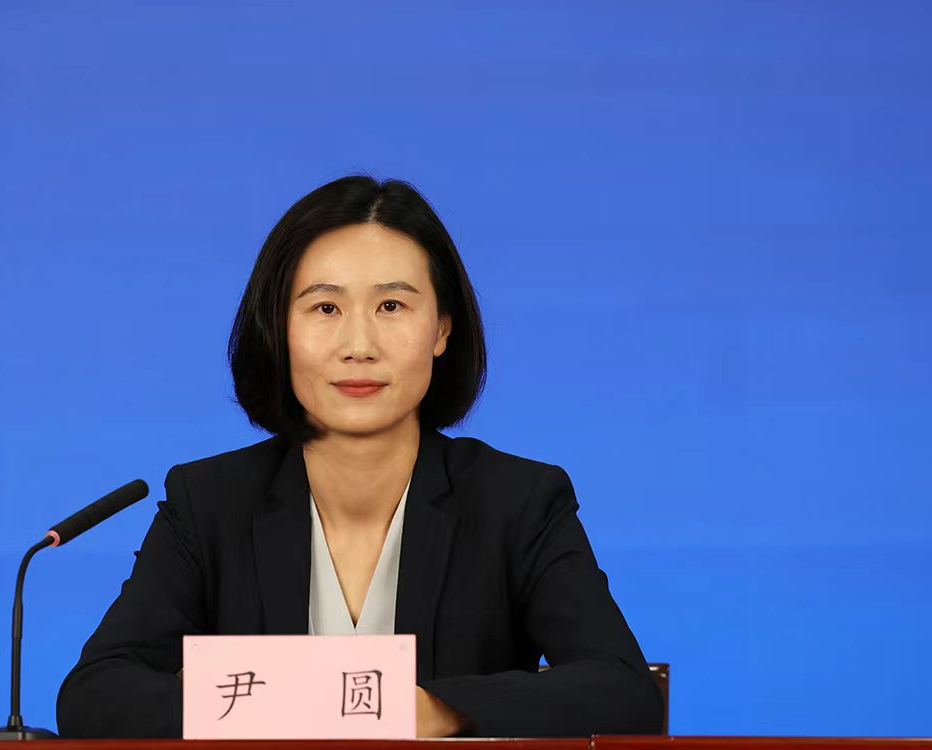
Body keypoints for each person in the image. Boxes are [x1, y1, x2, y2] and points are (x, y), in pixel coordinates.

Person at [56, 175, 664, 738]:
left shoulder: (517, 502)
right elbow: (95, 694)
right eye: (325, 308)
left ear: (442, 329)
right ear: (278, 329)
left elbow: (624, 692)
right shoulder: (209, 503)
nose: (359, 346)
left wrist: (427, 710)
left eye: (392, 306)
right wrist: (314, 706)